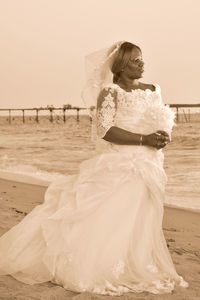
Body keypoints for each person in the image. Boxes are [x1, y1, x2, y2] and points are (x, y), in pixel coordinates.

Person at [0, 41, 188, 296]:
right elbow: (106, 130)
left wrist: (164, 135)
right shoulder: (110, 93)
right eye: (135, 60)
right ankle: (103, 263)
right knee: (116, 214)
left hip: (151, 162)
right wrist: (144, 140)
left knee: (142, 214)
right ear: (120, 66)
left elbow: (162, 118)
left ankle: (134, 261)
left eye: (142, 58)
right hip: (122, 161)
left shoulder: (155, 89)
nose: (142, 63)